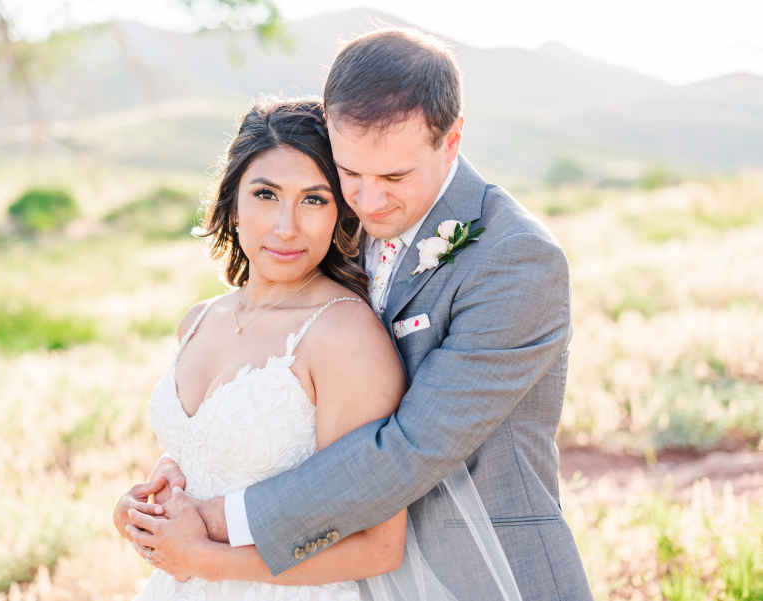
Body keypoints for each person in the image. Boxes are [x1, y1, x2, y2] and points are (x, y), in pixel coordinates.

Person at [118, 27, 594, 601]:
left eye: (394, 177)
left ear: (451, 140)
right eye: (349, 175)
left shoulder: (515, 260)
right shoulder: (339, 232)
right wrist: (168, 494)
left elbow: (409, 450)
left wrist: (213, 523)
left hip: (474, 570)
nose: (367, 203)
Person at [116, 98, 412, 600]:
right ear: (232, 202)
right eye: (266, 194)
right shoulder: (200, 319)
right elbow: (205, 455)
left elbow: (379, 546)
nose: (286, 226)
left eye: (314, 200)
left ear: (341, 212)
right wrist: (144, 506)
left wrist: (209, 560)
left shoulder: (342, 334)